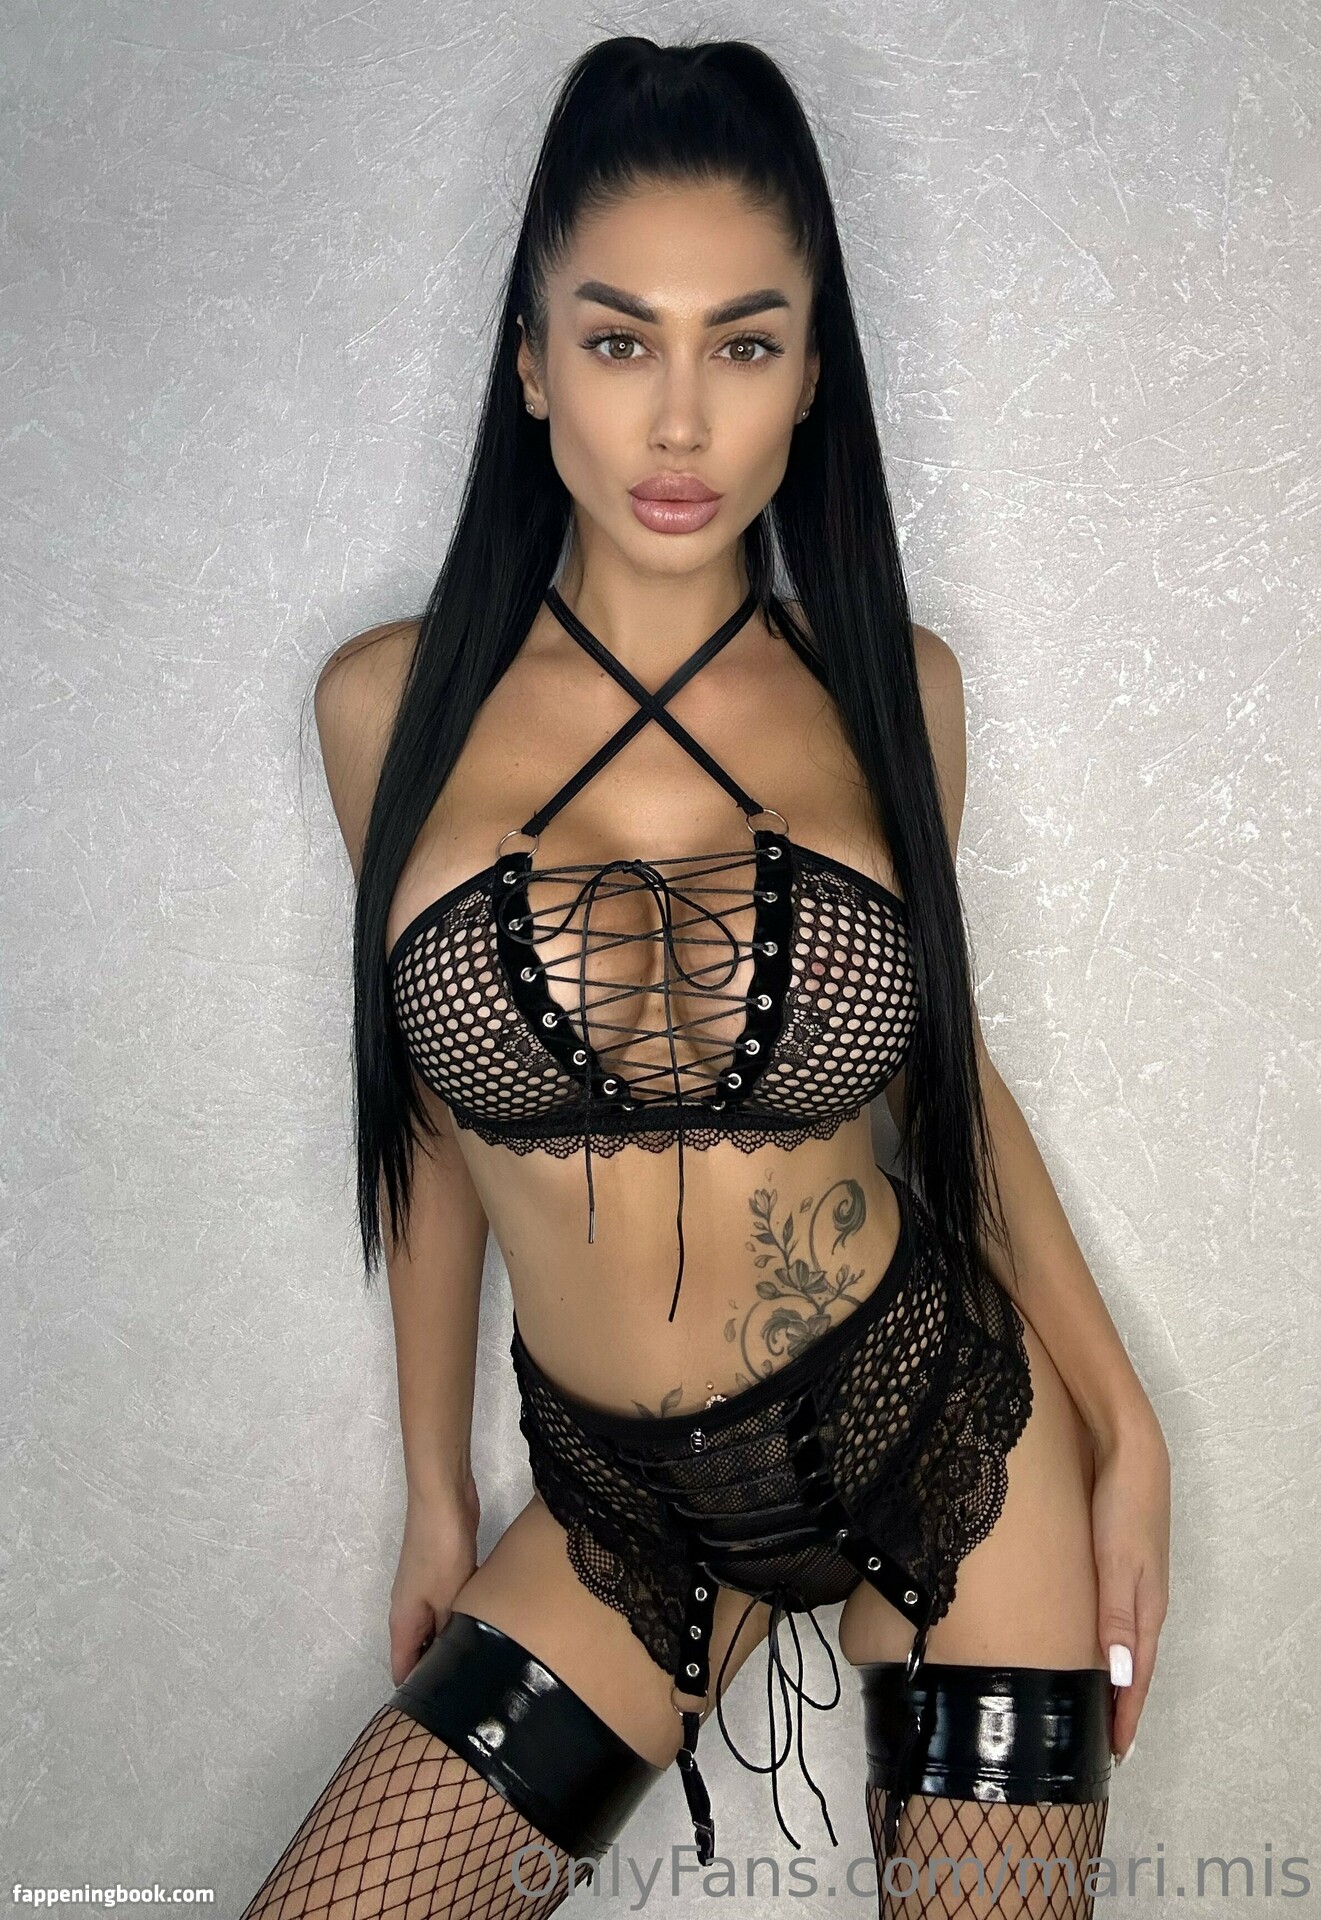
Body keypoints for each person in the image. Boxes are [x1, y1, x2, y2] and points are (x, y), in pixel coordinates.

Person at [241, 36, 1170, 1920]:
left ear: (812, 376)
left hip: (935, 1427)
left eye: (743, 347)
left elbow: (941, 1078)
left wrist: (1126, 1430)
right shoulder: (385, 711)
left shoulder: (893, 691)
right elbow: (429, 1127)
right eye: (618, 341)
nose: (678, 424)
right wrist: (436, 1488)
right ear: (529, 361)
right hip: (620, 1512)